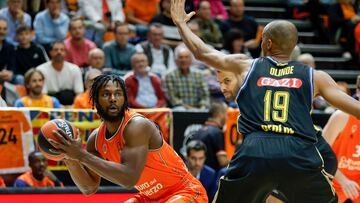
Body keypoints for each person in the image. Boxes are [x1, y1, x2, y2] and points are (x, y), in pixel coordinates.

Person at [171, 0, 360, 201]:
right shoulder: (315, 76)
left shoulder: (246, 66)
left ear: (268, 43)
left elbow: (203, 52)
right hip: (297, 152)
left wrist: (181, 24)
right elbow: (355, 108)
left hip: (255, 150)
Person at [47, 73, 208, 202]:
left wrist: (81, 155)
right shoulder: (95, 140)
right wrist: (69, 158)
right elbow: (89, 188)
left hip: (185, 192)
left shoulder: (137, 125)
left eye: (118, 94)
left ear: (125, 98)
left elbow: (129, 179)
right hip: (149, 198)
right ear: (95, 100)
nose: (113, 99)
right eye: (106, 94)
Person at [323, 108, 360, 202]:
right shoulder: (342, 116)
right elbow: (319, 153)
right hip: (332, 178)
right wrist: (343, 180)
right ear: (358, 92)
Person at [36, 41, 84, 106]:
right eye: (56, 50)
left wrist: (73, 107)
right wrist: (58, 107)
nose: (59, 52)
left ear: (65, 53)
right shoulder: (41, 70)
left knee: (66, 95)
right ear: (50, 52)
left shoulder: (75, 69)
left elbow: (79, 94)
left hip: (70, 104)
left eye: (62, 50)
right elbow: (42, 95)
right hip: (49, 104)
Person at [191, 101, 229, 171]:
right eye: (226, 114)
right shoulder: (217, 132)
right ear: (220, 114)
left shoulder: (198, 131)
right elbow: (223, 162)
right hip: (211, 177)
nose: (227, 117)